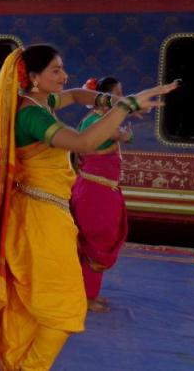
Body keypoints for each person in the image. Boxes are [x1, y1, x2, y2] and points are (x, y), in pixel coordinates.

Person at [0, 44, 177, 370]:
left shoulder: (41, 101)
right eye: (56, 70)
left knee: (34, 305)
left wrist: (114, 102)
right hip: (39, 220)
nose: (64, 76)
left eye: (63, 68)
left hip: (45, 214)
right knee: (64, 309)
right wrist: (127, 106)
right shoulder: (31, 114)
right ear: (33, 78)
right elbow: (83, 143)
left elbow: (80, 95)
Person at [70, 76, 131, 312]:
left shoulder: (102, 122)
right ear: (103, 98)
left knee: (100, 240)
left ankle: (89, 293)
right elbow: (121, 136)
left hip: (102, 190)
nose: (121, 98)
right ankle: (85, 297)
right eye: (117, 94)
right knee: (93, 243)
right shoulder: (94, 123)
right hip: (94, 192)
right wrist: (121, 136)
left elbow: (125, 136)